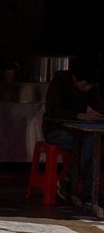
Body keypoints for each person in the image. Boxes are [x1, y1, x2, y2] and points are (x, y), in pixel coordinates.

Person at [43, 60, 104, 204]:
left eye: (91, 86)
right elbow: (54, 110)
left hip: (81, 133)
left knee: (92, 144)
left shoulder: (91, 88)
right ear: (75, 78)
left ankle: (74, 185)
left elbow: (99, 107)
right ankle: (83, 190)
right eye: (85, 85)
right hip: (56, 131)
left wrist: (99, 114)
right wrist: (80, 116)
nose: (87, 88)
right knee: (90, 146)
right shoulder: (59, 82)